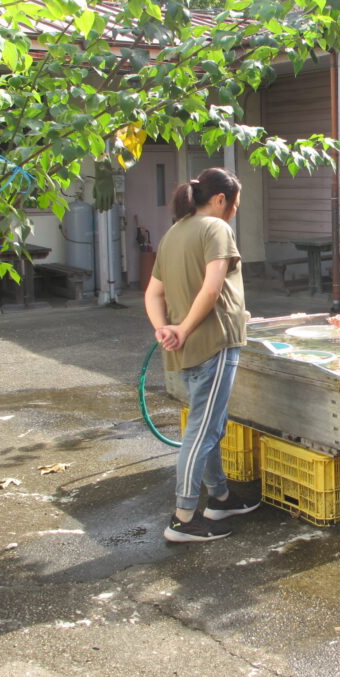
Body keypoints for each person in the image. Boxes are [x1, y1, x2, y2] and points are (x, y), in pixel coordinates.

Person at [144, 167, 260, 543]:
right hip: (214, 343)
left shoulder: (174, 233)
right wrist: (184, 328)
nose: (235, 212)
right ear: (221, 200)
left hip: (186, 348)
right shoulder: (216, 229)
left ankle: (221, 497)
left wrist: (166, 328)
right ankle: (183, 517)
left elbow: (152, 295)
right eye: (236, 204)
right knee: (202, 432)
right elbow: (210, 292)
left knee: (209, 425)